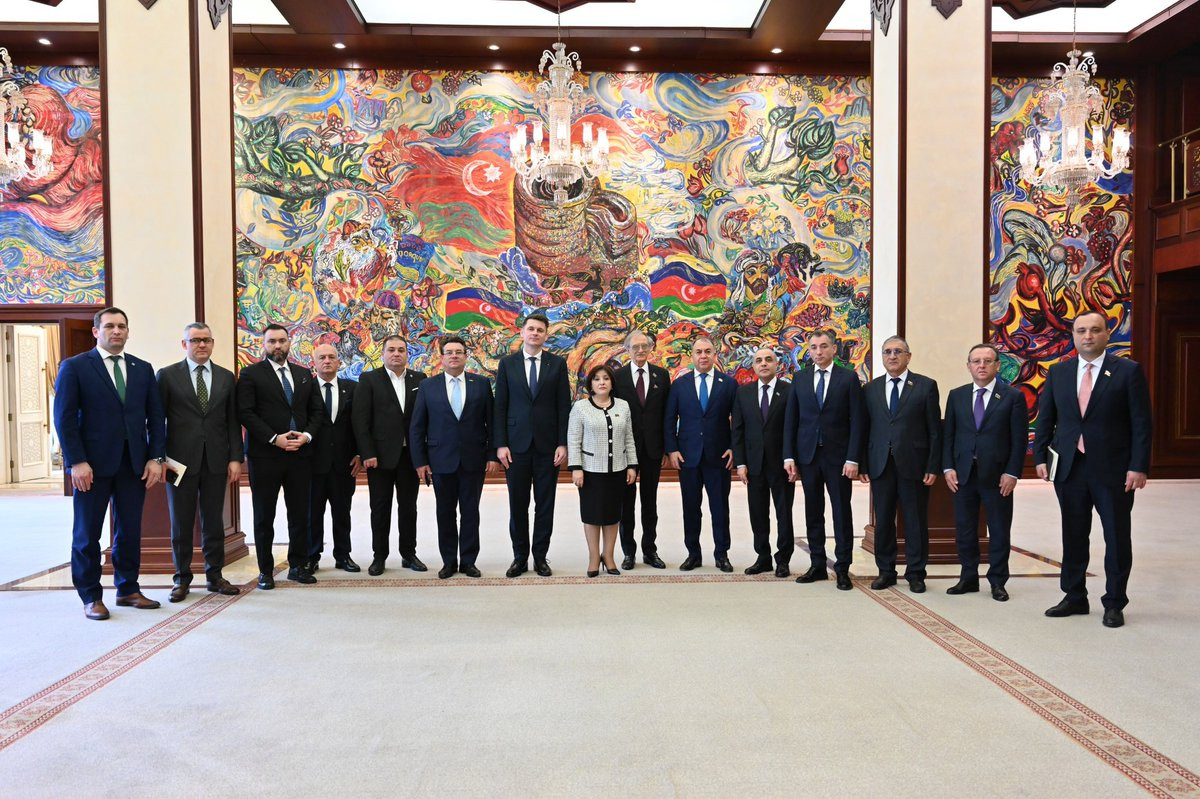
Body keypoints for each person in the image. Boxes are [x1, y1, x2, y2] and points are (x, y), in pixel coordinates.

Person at [1033, 311, 1152, 628]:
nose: (1088, 336)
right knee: (1073, 534)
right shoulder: (1059, 372)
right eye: (1081, 330)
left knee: (1116, 536)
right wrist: (1040, 457)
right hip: (1070, 467)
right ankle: (1074, 596)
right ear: (1073, 335)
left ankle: (1114, 602)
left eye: (1095, 330)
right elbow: (1047, 418)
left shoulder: (1128, 372)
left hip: (1114, 470)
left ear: (1106, 334)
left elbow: (1141, 423)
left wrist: (1138, 466)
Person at [53, 307, 166, 620]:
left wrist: (156, 457)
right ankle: (90, 596)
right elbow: (64, 419)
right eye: (110, 326)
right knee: (87, 534)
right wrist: (76, 461)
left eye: (122, 326)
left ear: (128, 332)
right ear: (96, 331)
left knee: (129, 531)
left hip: (134, 465)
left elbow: (156, 417)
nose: (116, 331)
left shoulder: (142, 368)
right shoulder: (75, 367)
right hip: (91, 467)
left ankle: (128, 588)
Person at [157, 322, 243, 602]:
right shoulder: (167, 376)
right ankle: (181, 579)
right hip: (177, 463)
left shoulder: (226, 377)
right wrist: (159, 458)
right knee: (181, 523)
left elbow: (233, 422)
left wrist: (235, 458)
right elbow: (156, 421)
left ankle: (215, 576)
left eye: (206, 340)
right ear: (184, 344)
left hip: (216, 461)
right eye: (195, 340)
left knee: (213, 522)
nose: (201, 345)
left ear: (212, 343)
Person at [237, 323, 325, 589]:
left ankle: (297, 566)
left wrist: (306, 436)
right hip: (265, 456)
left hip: (300, 455)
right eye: (272, 341)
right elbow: (246, 412)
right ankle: (265, 571)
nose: (277, 346)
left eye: (282, 341)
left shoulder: (303, 374)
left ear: (289, 343)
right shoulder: (250, 374)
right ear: (264, 344)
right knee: (264, 516)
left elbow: (316, 411)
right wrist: (275, 438)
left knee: (300, 514)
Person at [943, 343, 1027, 602]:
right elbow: (949, 436)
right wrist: (948, 467)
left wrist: (1012, 473)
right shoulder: (956, 395)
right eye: (976, 361)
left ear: (997, 365)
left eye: (987, 361)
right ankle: (968, 577)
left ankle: (998, 581)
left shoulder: (1012, 397)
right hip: (963, 475)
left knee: (999, 531)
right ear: (968, 366)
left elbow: (1019, 440)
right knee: (965, 529)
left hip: (998, 476)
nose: (982, 365)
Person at [410, 335, 498, 579]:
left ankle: (468, 561)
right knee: (445, 513)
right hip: (440, 460)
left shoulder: (481, 384)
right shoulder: (428, 386)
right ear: (441, 357)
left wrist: (492, 455)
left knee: (471, 513)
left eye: (459, 352)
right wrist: (420, 461)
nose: (454, 356)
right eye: (449, 352)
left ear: (466, 356)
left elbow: (492, 423)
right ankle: (449, 561)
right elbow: (417, 427)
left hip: (473, 459)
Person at [783, 328, 864, 591]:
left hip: (839, 458)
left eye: (824, 346)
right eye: (814, 347)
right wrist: (789, 455)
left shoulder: (848, 378)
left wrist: (853, 458)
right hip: (808, 457)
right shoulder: (800, 378)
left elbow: (857, 421)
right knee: (813, 512)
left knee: (841, 512)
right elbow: (791, 420)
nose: (818, 352)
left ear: (834, 349)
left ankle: (842, 568)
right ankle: (817, 564)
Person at [859, 336, 941, 593]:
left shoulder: (926, 386)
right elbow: (864, 429)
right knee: (883, 521)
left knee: (915, 521)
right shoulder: (871, 389)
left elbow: (934, 431)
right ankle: (886, 571)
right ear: (882, 357)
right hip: (880, 464)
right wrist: (863, 464)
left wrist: (933, 466)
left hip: (914, 465)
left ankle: (916, 573)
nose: (892, 356)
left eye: (898, 351)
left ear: (908, 356)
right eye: (887, 352)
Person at [493, 312, 571, 577]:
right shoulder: (507, 364)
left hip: (548, 447)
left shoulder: (557, 364)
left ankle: (540, 557)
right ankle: (519, 557)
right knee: (518, 504)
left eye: (540, 330)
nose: (535, 333)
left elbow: (563, 405)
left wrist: (563, 442)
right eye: (531, 329)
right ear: (522, 332)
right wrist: (500, 443)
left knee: (545, 505)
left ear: (546, 335)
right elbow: (500, 405)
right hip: (515, 447)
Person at [352, 333, 427, 575]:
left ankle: (409, 554)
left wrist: (424, 456)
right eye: (391, 350)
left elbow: (424, 419)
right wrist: (367, 453)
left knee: (409, 508)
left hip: (410, 457)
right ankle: (379, 556)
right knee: (380, 508)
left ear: (407, 354)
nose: (396, 354)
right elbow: (360, 420)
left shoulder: (420, 379)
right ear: (383, 354)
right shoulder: (369, 379)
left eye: (401, 350)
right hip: (379, 457)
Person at [664, 335, 737, 572]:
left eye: (707, 351)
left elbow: (739, 421)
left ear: (715, 354)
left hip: (719, 458)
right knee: (691, 509)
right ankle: (693, 554)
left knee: (720, 509)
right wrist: (672, 449)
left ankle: (721, 554)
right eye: (698, 352)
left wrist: (734, 447)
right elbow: (669, 420)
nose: (703, 356)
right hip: (688, 457)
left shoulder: (729, 384)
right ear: (692, 356)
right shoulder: (680, 385)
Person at [568, 364, 639, 577]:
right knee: (592, 515)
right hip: (590, 471)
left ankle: (608, 556)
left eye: (606, 378)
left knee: (612, 515)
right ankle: (593, 557)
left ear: (612, 383)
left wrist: (632, 465)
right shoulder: (580, 407)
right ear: (590, 384)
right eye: (597, 379)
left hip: (618, 470)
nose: (602, 382)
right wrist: (576, 468)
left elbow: (629, 438)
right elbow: (573, 439)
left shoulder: (623, 406)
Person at [731, 347, 794, 577]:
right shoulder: (743, 393)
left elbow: (793, 427)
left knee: (783, 513)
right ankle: (763, 557)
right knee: (757, 513)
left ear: (777, 364)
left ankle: (783, 559)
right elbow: (737, 430)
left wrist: (791, 457)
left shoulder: (789, 391)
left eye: (768, 359)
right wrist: (740, 463)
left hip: (782, 464)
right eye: (759, 360)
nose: (764, 363)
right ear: (754, 366)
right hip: (753, 464)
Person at [611, 329, 670, 570]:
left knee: (650, 501)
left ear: (651, 349)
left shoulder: (662, 375)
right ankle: (628, 552)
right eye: (635, 347)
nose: (640, 350)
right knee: (626, 503)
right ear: (627, 350)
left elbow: (667, 414)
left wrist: (667, 448)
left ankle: (650, 550)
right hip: (626, 449)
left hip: (653, 449)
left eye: (645, 346)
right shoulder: (617, 377)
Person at [306, 343, 362, 574]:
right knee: (312, 513)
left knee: (342, 512)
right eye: (322, 357)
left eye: (331, 357)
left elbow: (360, 424)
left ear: (339, 362)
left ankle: (343, 555)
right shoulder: (306, 389)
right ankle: (312, 556)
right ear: (314, 363)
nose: (327, 361)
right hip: (312, 463)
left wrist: (360, 453)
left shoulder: (353, 388)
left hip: (344, 463)